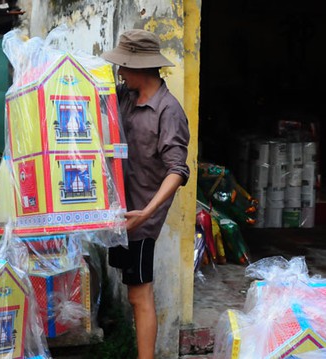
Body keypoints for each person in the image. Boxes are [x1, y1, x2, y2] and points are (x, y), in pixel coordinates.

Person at [101, 29, 190, 359]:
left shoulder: (168, 111)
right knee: (132, 291)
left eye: (124, 66)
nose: (120, 72)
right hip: (122, 212)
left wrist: (147, 213)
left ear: (142, 67)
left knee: (141, 295)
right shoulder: (126, 95)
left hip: (140, 217)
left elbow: (177, 171)